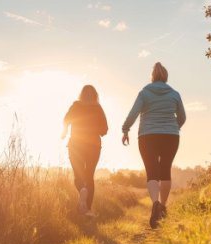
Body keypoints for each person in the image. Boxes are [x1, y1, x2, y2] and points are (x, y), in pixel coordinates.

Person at [122, 62, 186, 228]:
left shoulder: (144, 93)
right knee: (165, 169)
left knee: (151, 171)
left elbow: (133, 113)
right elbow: (182, 116)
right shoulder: (174, 94)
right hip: (171, 136)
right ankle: (163, 206)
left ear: (152, 76)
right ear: (165, 76)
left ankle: (155, 204)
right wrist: (174, 126)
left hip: (147, 135)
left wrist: (125, 129)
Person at [62, 85, 108, 216]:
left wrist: (64, 132)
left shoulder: (75, 106)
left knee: (78, 175)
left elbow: (66, 120)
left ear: (81, 94)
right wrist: (95, 129)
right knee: (89, 176)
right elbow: (105, 129)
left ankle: (82, 189)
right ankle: (87, 210)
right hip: (93, 146)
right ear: (95, 95)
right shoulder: (98, 108)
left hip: (76, 144)